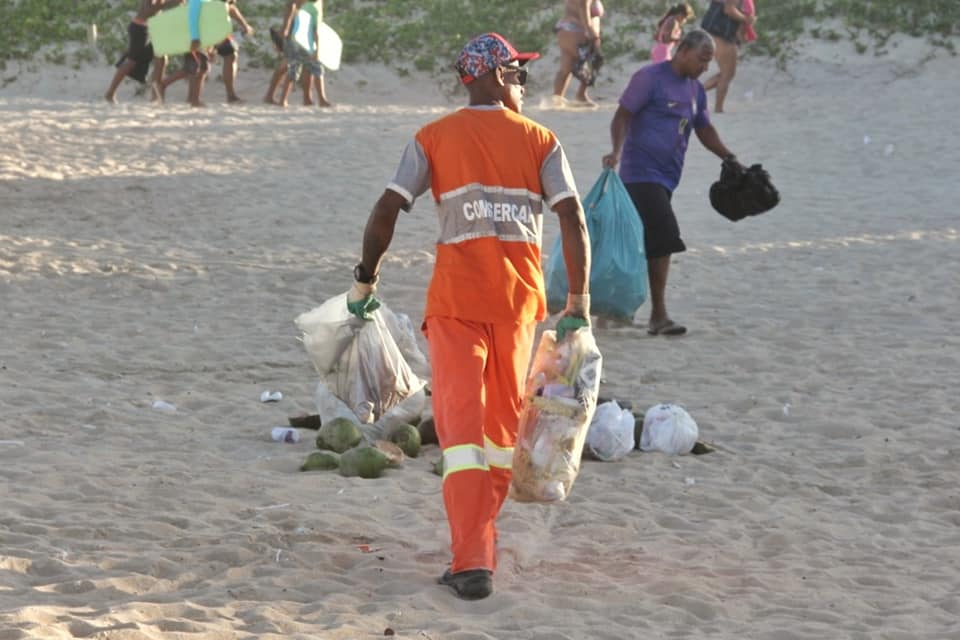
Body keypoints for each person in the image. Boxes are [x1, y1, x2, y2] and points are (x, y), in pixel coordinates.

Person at [346, 32, 591, 600]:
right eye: (519, 74)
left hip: (455, 307)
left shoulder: (433, 138)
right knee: (501, 437)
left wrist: (366, 278)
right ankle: (478, 549)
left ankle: (472, 557)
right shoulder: (542, 141)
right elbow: (573, 217)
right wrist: (578, 303)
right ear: (496, 75)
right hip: (516, 309)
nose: (523, 85)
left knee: (460, 439)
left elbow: (388, 208)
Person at [602, 29, 740, 336]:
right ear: (684, 50)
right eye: (703, 60)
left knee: (636, 242)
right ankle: (659, 316)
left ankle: (606, 310)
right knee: (664, 236)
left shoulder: (696, 91)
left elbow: (704, 129)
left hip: (667, 178)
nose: (706, 68)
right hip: (639, 174)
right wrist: (617, 150)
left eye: (709, 62)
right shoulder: (649, 79)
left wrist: (729, 158)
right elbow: (622, 116)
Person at [104, 0, 183, 103]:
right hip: (140, 28)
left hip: (152, 28)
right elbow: (151, 8)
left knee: (162, 58)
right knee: (131, 62)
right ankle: (110, 93)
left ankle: (155, 96)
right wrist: (172, 3)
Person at [152, 0, 211, 107]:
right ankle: (163, 85)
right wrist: (195, 38)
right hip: (193, 38)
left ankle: (193, 99)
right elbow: (192, 19)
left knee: (200, 68)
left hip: (198, 37)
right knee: (193, 68)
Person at [700, 0, 755, 113]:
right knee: (727, 75)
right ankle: (718, 109)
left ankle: (693, 94)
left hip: (722, 32)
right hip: (720, 33)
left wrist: (742, 33)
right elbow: (729, 10)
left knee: (727, 74)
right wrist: (746, 19)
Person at [278, 0, 331, 108]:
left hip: (294, 41)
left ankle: (283, 100)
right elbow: (316, 31)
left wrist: (285, 31)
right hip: (307, 44)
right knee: (317, 70)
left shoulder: (299, 5)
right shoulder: (315, 8)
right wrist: (318, 49)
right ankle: (321, 99)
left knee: (294, 70)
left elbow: (290, 13)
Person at [552, 0, 604, 107]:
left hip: (569, 29)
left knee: (566, 67)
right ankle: (581, 95)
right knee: (591, 61)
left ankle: (557, 98)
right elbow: (583, 6)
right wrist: (590, 30)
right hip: (577, 30)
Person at [213, 0, 255, 103]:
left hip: (219, 30)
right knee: (198, 64)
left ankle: (231, 95)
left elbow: (230, 7)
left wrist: (245, 25)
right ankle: (230, 95)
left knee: (231, 55)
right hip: (208, 29)